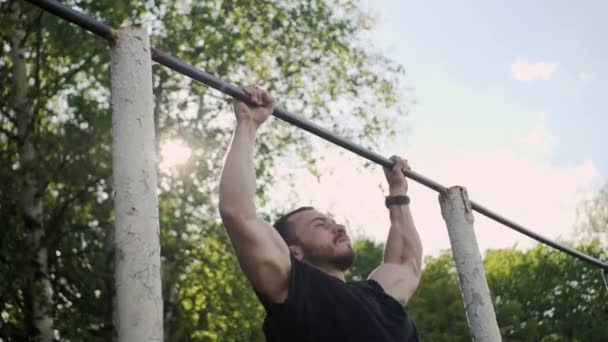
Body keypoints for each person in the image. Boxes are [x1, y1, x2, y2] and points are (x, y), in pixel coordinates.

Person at [219, 85, 422, 341]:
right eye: (320, 224)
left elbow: (406, 263)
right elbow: (238, 212)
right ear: (295, 252)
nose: (338, 227)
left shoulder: (378, 296)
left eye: (333, 222)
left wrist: (398, 192)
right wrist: (248, 124)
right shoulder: (294, 289)